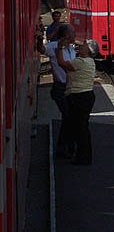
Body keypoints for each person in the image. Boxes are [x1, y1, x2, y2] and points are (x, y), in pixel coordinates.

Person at [56, 39, 97, 165]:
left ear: (88, 50)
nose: (80, 46)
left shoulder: (81, 62)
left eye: (84, 45)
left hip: (79, 97)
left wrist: (58, 49)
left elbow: (62, 63)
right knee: (82, 127)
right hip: (86, 95)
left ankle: (83, 158)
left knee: (80, 128)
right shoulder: (89, 61)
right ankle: (83, 156)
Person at [39, 24, 76, 157]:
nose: (75, 34)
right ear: (66, 35)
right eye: (73, 32)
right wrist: (38, 39)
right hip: (60, 88)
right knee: (68, 116)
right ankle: (63, 148)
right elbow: (42, 49)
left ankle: (68, 147)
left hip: (71, 88)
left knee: (69, 117)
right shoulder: (54, 46)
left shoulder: (72, 49)